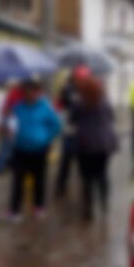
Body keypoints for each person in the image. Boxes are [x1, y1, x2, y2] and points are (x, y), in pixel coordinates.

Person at [8, 80, 62, 221]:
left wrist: (47, 138)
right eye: (27, 92)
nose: (30, 95)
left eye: (33, 91)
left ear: (38, 93)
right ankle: (15, 210)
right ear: (23, 93)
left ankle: (39, 206)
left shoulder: (45, 108)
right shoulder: (17, 108)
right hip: (20, 149)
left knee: (39, 179)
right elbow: (10, 124)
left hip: (39, 150)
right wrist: (9, 128)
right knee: (18, 180)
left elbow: (56, 125)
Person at [70, 76, 118, 220]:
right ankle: (104, 204)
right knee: (102, 174)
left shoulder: (79, 104)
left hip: (85, 145)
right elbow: (111, 118)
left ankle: (88, 208)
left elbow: (73, 120)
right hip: (103, 144)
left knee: (87, 178)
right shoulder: (105, 103)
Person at [54, 65, 89, 198]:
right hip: (70, 128)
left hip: (83, 129)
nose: (83, 81)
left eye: (84, 78)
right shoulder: (68, 89)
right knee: (66, 158)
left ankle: (85, 186)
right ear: (75, 77)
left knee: (82, 159)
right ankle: (61, 184)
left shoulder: (86, 89)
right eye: (81, 78)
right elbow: (62, 104)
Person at [0, 83, 23, 174]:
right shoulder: (14, 95)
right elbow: (6, 110)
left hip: (11, 122)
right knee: (6, 146)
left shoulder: (13, 94)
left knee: (8, 146)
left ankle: (2, 166)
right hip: (11, 122)